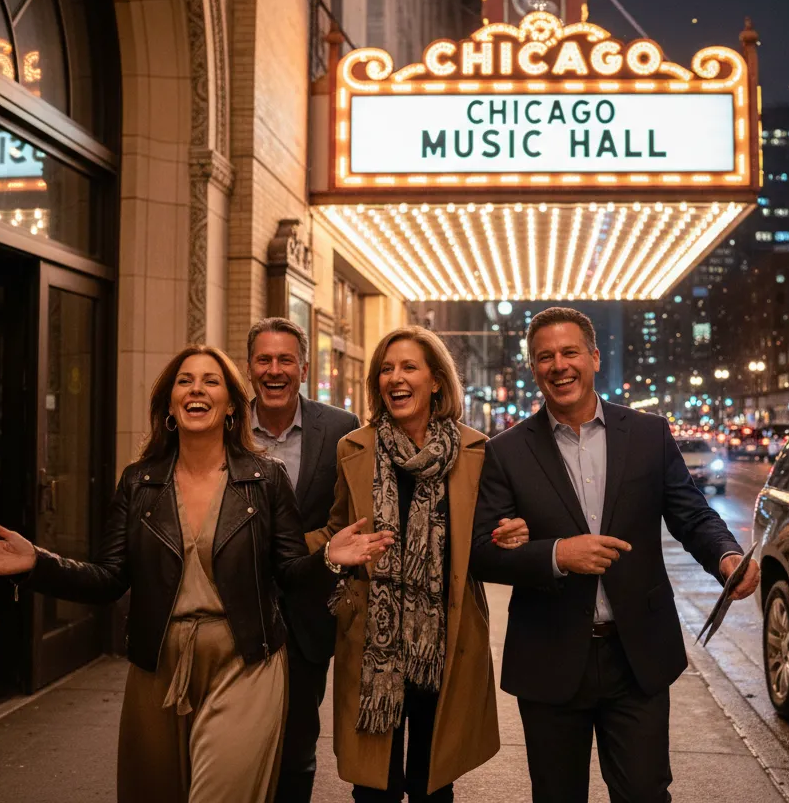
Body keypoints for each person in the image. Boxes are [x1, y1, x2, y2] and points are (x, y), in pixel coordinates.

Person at [0, 345, 391, 803]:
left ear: (231, 406)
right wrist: (38, 565)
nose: (196, 389)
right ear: (169, 403)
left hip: (246, 662)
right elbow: (109, 578)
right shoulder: (139, 482)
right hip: (158, 663)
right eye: (185, 381)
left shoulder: (266, 479)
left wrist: (328, 558)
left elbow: (289, 573)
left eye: (210, 381)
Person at [470, 307, 760, 803]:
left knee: (645, 794)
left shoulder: (648, 433)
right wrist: (558, 554)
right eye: (545, 357)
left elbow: (690, 513)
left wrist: (726, 557)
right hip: (549, 655)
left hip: (637, 656)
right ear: (533, 368)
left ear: (594, 357)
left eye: (569, 352)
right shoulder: (505, 451)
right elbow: (482, 553)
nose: (559, 366)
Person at [298, 326, 523, 802]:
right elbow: (338, 527)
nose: (395, 378)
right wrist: (300, 550)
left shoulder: (476, 452)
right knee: (373, 787)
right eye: (386, 369)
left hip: (445, 637)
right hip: (374, 640)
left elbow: (488, 534)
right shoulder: (354, 448)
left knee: (433, 782)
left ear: (436, 380)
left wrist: (512, 535)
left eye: (408, 367)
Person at [245, 318, 361, 803]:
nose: (275, 370)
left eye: (285, 360)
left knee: (296, 750)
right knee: (237, 748)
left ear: (304, 369)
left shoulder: (340, 428)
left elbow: (351, 517)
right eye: (264, 360)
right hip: (234, 613)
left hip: (305, 617)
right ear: (249, 368)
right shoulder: (225, 426)